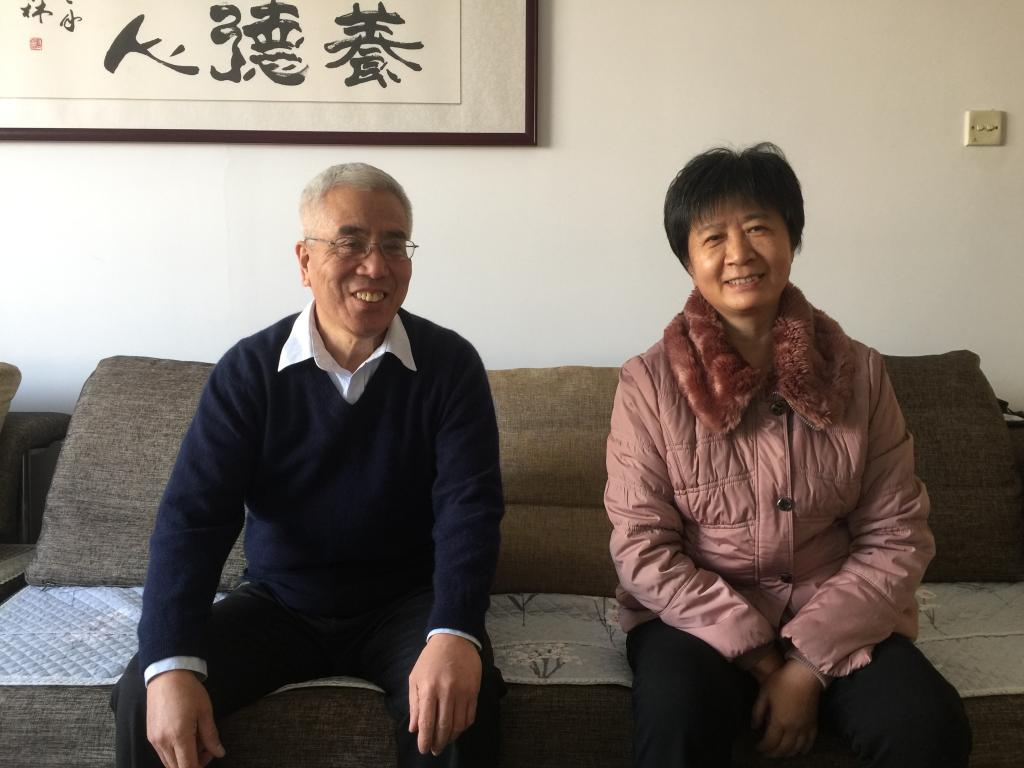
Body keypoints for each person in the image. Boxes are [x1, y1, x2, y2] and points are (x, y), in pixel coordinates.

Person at [111, 163, 505, 768]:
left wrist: (455, 629)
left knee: (456, 711)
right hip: (281, 603)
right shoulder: (250, 371)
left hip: (407, 602)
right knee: (148, 697)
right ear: (304, 260)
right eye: (350, 243)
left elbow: (469, 511)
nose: (375, 266)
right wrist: (170, 660)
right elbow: (194, 518)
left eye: (394, 244)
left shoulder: (450, 366)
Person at [604, 143, 971, 767]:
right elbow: (643, 549)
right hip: (694, 622)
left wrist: (807, 665)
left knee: (927, 724)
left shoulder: (860, 372)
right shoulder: (649, 383)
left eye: (758, 228)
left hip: (842, 618)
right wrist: (764, 658)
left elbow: (897, 535)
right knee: (676, 717)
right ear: (688, 259)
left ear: (791, 240)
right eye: (713, 237)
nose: (739, 253)